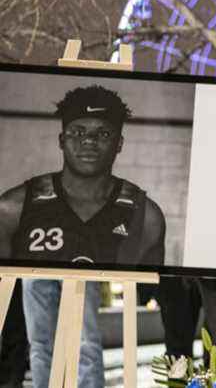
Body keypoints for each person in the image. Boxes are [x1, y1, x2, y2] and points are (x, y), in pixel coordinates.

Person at [0, 85, 166, 388]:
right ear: (62, 140)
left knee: (85, 343)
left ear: (119, 143)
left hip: (84, 276)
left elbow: (148, 274)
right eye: (78, 131)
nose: (89, 141)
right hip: (37, 273)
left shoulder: (145, 213)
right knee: (42, 345)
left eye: (103, 133)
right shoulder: (15, 205)